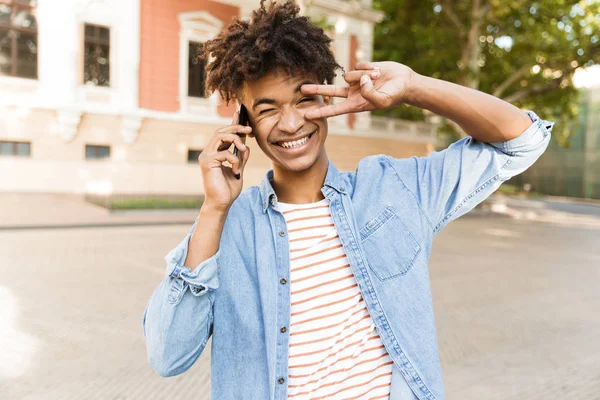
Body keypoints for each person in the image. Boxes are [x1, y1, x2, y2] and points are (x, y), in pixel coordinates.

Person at [142, 1, 552, 399]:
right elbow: (168, 355)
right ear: (244, 125)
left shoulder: (393, 188)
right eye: (267, 110)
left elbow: (521, 141)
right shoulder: (229, 227)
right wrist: (214, 209)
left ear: (327, 100)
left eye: (304, 99)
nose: (290, 123)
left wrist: (413, 87)